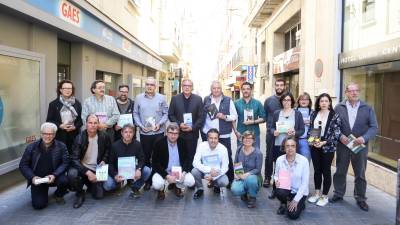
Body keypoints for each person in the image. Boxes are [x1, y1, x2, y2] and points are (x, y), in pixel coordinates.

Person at [331, 82, 378, 211]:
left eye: (356, 90)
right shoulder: (339, 107)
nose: (354, 93)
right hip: (343, 145)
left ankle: (361, 198)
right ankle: (338, 194)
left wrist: (363, 138)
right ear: (346, 93)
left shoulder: (367, 108)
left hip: (360, 146)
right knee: (340, 171)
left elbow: (374, 127)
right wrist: (340, 136)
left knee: (360, 173)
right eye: (351, 91)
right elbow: (334, 125)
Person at [19, 122, 69, 209]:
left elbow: (65, 163)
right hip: (38, 179)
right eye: (45, 133)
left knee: (65, 180)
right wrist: (32, 177)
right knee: (39, 205)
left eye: (50, 134)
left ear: (54, 135)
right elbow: (23, 165)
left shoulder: (61, 146)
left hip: (54, 177)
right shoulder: (31, 147)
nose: (47, 136)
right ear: (41, 134)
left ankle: (58, 194)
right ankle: (42, 191)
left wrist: (54, 175)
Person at [68, 114, 111, 208]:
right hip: (83, 168)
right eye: (90, 123)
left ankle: (88, 183)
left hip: (97, 168)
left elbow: (108, 150)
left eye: (95, 123)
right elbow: (74, 159)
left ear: (98, 124)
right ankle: (79, 193)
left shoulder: (104, 136)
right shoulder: (79, 138)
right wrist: (87, 172)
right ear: (86, 124)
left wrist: (104, 160)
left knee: (98, 196)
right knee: (72, 174)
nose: (93, 125)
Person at [133, 77, 169, 190]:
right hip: (145, 133)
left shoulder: (162, 98)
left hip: (158, 132)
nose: (149, 86)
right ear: (145, 85)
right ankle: (148, 180)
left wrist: (160, 124)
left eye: (152, 85)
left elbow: (166, 113)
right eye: (147, 84)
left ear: (156, 86)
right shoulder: (138, 98)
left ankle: (157, 178)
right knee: (146, 157)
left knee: (157, 157)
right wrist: (140, 126)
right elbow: (135, 113)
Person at [307, 93, 341, 207]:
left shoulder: (334, 115)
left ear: (330, 102)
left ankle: (324, 196)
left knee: (326, 171)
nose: (324, 103)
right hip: (315, 145)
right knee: (317, 170)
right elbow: (311, 129)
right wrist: (311, 141)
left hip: (328, 147)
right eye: (322, 101)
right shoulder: (314, 113)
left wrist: (323, 142)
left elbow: (336, 133)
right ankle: (317, 193)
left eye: (326, 101)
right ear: (319, 103)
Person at [269, 92, 305, 199]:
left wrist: (295, 133)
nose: (286, 102)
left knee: (291, 167)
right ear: (281, 102)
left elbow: (302, 130)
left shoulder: (297, 114)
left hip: (291, 146)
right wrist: (273, 132)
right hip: (278, 144)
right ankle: (276, 190)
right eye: (284, 100)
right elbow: (271, 128)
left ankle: (290, 189)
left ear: (292, 101)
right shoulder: (277, 113)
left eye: (289, 100)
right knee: (278, 168)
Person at [202, 80, 237, 185]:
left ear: (221, 89)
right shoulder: (206, 100)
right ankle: (212, 180)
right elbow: (203, 115)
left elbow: (234, 116)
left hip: (224, 134)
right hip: (209, 135)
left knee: (227, 156)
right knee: (211, 158)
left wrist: (225, 117)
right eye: (214, 88)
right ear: (211, 89)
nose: (216, 90)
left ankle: (230, 180)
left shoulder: (228, 100)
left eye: (218, 88)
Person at [103, 124, 151, 198]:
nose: (128, 134)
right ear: (122, 133)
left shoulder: (137, 144)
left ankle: (135, 187)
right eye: (126, 132)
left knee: (147, 171)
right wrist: (115, 175)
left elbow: (142, 159)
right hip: (118, 172)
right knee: (108, 185)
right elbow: (110, 164)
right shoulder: (115, 146)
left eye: (130, 132)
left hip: (132, 171)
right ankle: (117, 184)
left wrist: (139, 169)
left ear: (133, 133)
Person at [151, 123, 195, 200]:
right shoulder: (159, 143)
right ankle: (161, 189)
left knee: (190, 181)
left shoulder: (182, 142)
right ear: (166, 133)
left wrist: (184, 172)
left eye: (175, 133)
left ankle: (177, 186)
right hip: (164, 171)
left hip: (179, 171)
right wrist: (166, 176)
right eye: (171, 133)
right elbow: (154, 163)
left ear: (178, 134)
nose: (173, 136)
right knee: (157, 184)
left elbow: (188, 159)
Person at [168, 78, 204, 170]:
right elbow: (171, 115)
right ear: (182, 87)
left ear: (192, 87)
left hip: (192, 134)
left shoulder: (198, 99)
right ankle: (177, 179)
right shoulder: (175, 98)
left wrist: (193, 128)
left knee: (191, 156)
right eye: (185, 85)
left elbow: (201, 117)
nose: (187, 87)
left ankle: (189, 177)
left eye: (189, 86)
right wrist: (179, 124)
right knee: (178, 156)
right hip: (178, 134)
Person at [274, 137, 309, 220]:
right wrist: (276, 181)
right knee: (278, 191)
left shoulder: (304, 161)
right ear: (284, 147)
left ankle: (300, 202)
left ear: (296, 147)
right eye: (287, 146)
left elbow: (305, 183)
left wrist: (296, 200)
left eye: (293, 146)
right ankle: (284, 203)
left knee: (293, 215)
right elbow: (275, 175)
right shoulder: (279, 159)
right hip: (286, 189)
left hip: (299, 191)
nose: (290, 148)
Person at [192, 128, 229, 199]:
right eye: (211, 138)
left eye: (215, 138)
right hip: (204, 170)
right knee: (194, 171)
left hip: (217, 173)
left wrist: (214, 176)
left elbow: (225, 167)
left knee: (224, 181)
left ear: (218, 139)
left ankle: (216, 185)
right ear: (207, 138)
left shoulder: (223, 149)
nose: (213, 140)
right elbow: (195, 162)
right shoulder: (201, 146)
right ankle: (200, 188)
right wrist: (209, 170)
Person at [46, 80, 82, 154]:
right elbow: (49, 120)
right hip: (60, 136)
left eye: (70, 88)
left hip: (74, 136)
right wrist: (60, 125)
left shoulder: (77, 103)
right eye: (65, 88)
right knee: (60, 157)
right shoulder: (53, 104)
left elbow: (81, 120)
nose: (68, 90)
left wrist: (75, 127)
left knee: (74, 157)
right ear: (60, 90)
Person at [230, 131, 263, 208]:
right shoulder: (239, 149)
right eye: (245, 138)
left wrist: (247, 174)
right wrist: (238, 174)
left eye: (250, 138)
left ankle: (252, 197)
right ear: (242, 139)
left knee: (250, 180)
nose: (247, 140)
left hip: (254, 177)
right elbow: (236, 163)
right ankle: (244, 193)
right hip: (241, 175)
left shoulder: (258, 153)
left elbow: (258, 169)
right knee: (235, 189)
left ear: (253, 140)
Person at [263, 78, 286, 188]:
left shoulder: (288, 99)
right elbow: (265, 116)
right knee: (269, 156)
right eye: (277, 85)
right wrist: (270, 129)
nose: (279, 87)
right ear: (274, 86)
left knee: (282, 156)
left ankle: (280, 179)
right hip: (271, 133)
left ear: (284, 87)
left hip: (285, 134)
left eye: (281, 85)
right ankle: (267, 177)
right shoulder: (268, 100)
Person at [233, 82, 265, 149]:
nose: (246, 91)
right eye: (244, 89)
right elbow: (233, 119)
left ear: (251, 90)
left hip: (255, 134)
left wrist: (253, 121)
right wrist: (236, 132)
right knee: (241, 155)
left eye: (248, 89)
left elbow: (263, 118)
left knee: (256, 155)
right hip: (241, 134)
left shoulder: (258, 103)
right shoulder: (236, 103)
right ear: (241, 90)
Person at [295, 92, 312, 161]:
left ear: (309, 101)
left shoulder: (313, 112)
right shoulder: (293, 111)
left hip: (307, 141)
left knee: (305, 162)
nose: (304, 101)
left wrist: (312, 122)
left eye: (306, 99)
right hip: (294, 140)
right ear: (298, 101)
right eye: (301, 99)